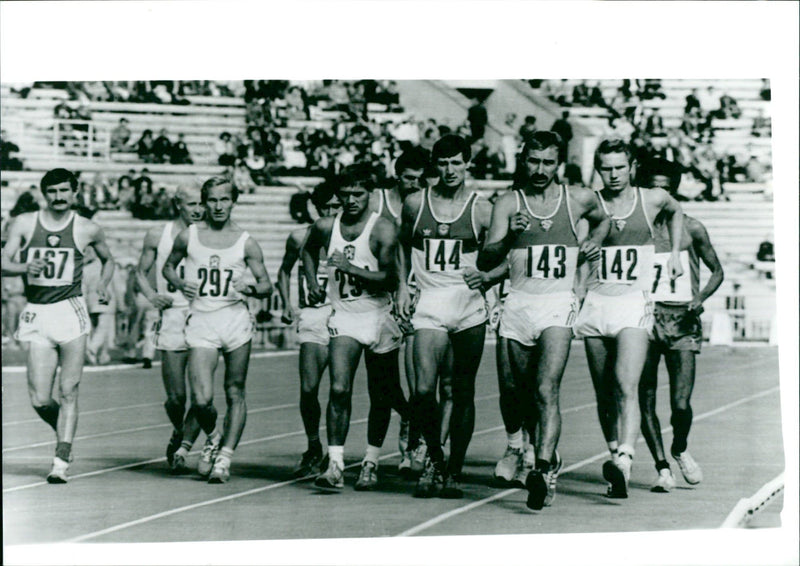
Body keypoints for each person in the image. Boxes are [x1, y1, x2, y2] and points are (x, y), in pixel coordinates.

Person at [478, 131, 611, 509]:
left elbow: (603, 219)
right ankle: (521, 448)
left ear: (559, 164)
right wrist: (508, 239)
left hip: (556, 305)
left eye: (548, 162)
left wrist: (594, 241)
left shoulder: (577, 199)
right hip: (517, 304)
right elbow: (486, 262)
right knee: (514, 394)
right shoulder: (508, 203)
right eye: (533, 161)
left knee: (544, 389)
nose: (540, 170)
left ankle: (543, 468)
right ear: (523, 160)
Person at [572, 138, 684, 499]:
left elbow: (677, 209)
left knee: (625, 384)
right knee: (603, 392)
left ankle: (625, 458)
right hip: (596, 303)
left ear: (632, 166)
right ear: (598, 168)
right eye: (606, 168)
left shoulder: (650, 199)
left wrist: (676, 254)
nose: (614, 174)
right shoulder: (590, 202)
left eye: (620, 167)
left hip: (632, 303)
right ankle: (614, 457)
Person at [396, 134, 496, 499]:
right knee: (424, 389)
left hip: (468, 303)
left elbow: (502, 253)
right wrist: (403, 286)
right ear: (433, 166)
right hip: (431, 301)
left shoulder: (482, 209)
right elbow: (400, 247)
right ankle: (435, 457)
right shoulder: (414, 203)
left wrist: (488, 278)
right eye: (443, 163)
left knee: (460, 389)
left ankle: (453, 469)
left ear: (467, 164)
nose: (450, 170)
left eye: (457, 162)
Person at [1, 168, 114, 482]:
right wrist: (25, 266)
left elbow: (109, 260)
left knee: (68, 391)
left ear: (74, 193)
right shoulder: (24, 223)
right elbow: (3, 260)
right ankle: (63, 432)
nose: (59, 197)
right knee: (39, 398)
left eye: (65, 191)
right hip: (38, 312)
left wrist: (103, 284)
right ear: (44, 194)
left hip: (70, 311)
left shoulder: (88, 228)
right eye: (52, 191)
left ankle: (61, 459)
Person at [302, 168, 408, 492]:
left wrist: (351, 269)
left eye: (357, 195)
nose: (350, 201)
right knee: (338, 389)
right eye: (345, 194)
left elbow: (391, 278)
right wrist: (311, 283)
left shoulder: (383, 229)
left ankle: (371, 462)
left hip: (378, 315)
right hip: (345, 315)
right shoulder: (325, 226)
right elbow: (308, 251)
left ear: (370, 195)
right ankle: (335, 463)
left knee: (381, 393)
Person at [163, 176, 273, 483]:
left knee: (235, 391)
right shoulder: (189, 235)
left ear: (234, 201)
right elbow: (168, 266)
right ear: (204, 201)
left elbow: (267, 285)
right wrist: (178, 282)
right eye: (212, 200)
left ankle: (224, 457)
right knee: (201, 400)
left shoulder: (246, 241)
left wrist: (250, 287)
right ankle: (212, 437)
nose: (218, 206)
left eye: (225, 199)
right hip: (201, 321)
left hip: (235, 321)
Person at [638, 164, 724, 493]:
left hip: (683, 322)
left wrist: (700, 297)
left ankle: (679, 448)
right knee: (644, 399)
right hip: (646, 320)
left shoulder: (692, 228)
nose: (662, 197)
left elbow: (717, 271)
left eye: (667, 190)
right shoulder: (638, 230)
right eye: (654, 190)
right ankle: (662, 467)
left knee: (681, 404)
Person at [136, 185, 207, 474]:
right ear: (178, 204)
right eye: (192, 203)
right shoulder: (158, 234)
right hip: (173, 315)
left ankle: (185, 447)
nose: (199, 209)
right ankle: (180, 430)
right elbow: (139, 272)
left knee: (203, 394)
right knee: (176, 397)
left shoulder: (212, 234)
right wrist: (152, 296)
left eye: (201, 203)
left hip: (206, 315)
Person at [276, 181, 342, 478]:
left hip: (346, 315)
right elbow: (284, 270)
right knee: (309, 388)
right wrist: (287, 304)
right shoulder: (300, 236)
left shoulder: (352, 237)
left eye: (336, 206)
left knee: (343, 389)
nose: (331, 211)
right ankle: (314, 445)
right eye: (326, 206)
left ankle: (335, 451)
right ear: (316, 207)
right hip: (313, 316)